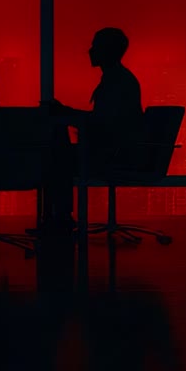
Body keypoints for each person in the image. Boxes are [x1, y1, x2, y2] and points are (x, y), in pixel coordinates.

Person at [42, 27, 144, 235]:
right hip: (119, 151)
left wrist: (66, 113)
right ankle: (60, 217)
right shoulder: (119, 79)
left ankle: (60, 219)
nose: (89, 51)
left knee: (55, 158)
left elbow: (102, 123)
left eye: (94, 46)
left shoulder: (116, 82)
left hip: (114, 155)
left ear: (106, 51)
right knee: (59, 150)